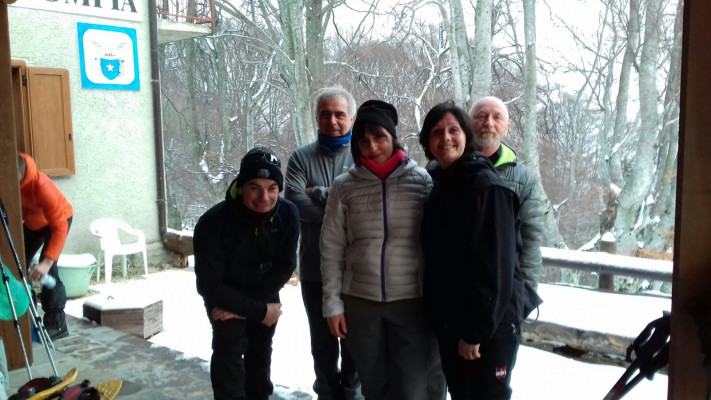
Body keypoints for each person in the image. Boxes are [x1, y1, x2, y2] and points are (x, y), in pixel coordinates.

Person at [321, 100, 433, 400]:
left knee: (412, 391)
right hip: (360, 303)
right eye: (364, 141)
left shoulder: (421, 181)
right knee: (374, 389)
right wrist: (333, 305)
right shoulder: (344, 186)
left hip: (411, 303)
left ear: (393, 138)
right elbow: (331, 248)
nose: (372, 147)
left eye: (379, 137)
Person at [418, 101, 525, 400]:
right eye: (437, 132)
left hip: (487, 328)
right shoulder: (443, 184)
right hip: (453, 322)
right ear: (428, 141)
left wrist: (475, 332)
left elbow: (496, 270)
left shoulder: (486, 188)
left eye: (454, 130)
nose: (446, 138)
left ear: (467, 136)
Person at [194, 147, 299, 400]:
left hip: (264, 289)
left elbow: (286, 265)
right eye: (254, 187)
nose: (264, 197)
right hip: (224, 296)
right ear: (240, 188)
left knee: (260, 352)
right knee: (229, 349)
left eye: (272, 188)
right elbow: (209, 286)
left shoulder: (288, 214)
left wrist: (252, 308)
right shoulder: (212, 224)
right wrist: (258, 310)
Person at [284, 86, 362, 400]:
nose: (333, 121)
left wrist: (316, 192)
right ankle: (326, 392)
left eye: (340, 114)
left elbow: (364, 206)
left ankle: (351, 392)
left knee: (355, 341)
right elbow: (293, 203)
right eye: (325, 114)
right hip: (314, 267)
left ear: (352, 118)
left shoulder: (364, 155)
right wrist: (342, 206)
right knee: (322, 341)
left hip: (357, 270)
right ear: (316, 118)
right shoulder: (300, 158)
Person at [470, 96, 545, 291]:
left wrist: (526, 293)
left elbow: (531, 239)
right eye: (482, 116)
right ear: (468, 123)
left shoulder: (524, 179)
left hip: (503, 288)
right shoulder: (444, 168)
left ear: (507, 127)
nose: (489, 123)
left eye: (497, 117)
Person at [18, 152, 73, 340]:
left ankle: (57, 325)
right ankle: (27, 317)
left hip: (59, 220)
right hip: (33, 222)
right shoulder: (7, 179)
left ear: (21, 176)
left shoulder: (42, 186)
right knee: (16, 262)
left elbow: (60, 226)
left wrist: (46, 263)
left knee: (48, 269)